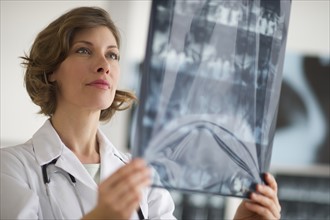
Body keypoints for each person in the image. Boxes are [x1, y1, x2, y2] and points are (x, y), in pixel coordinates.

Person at [0, 6, 281, 220]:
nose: (103, 65)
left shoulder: (140, 171)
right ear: (50, 71)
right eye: (84, 51)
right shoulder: (11, 167)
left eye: (112, 54)